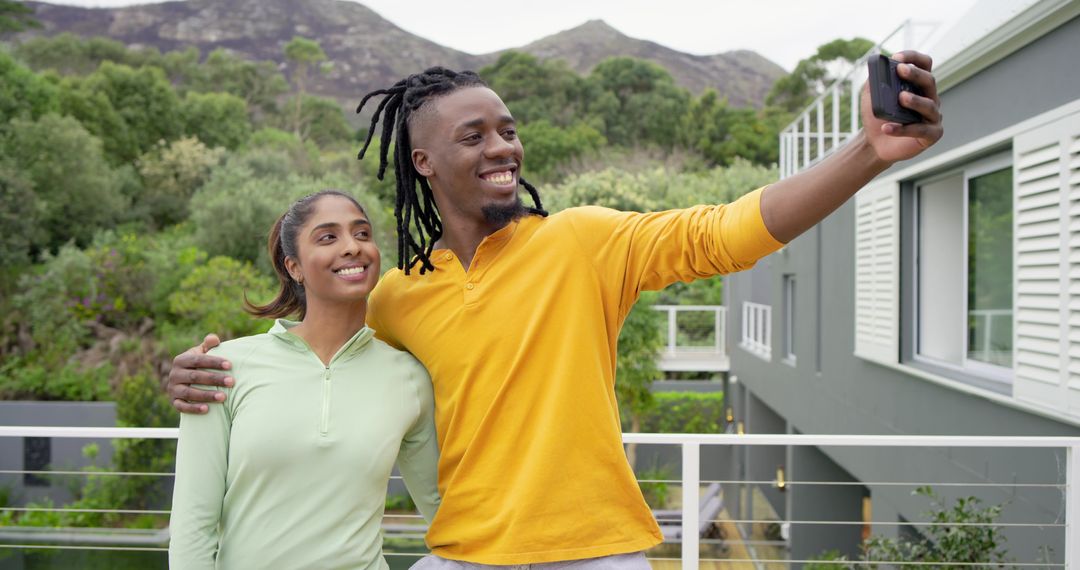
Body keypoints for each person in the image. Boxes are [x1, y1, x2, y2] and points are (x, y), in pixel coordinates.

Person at [167, 53, 942, 568]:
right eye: (474, 135)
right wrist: (202, 372)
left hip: (596, 551)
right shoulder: (399, 297)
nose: (503, 146)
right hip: (462, 553)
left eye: (508, 129)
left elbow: (729, 232)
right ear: (424, 162)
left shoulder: (582, 241)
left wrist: (867, 152)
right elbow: (313, 353)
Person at [168, 190, 440, 569]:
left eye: (362, 234)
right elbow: (192, 526)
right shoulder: (223, 367)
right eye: (328, 237)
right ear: (294, 267)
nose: (352, 247)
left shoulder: (408, 377)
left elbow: (443, 513)